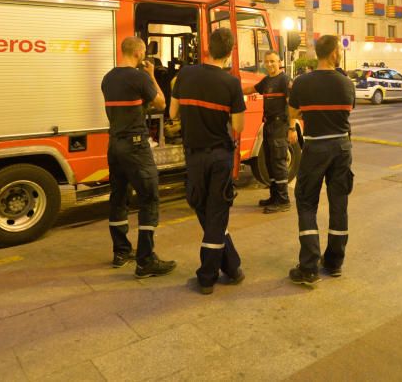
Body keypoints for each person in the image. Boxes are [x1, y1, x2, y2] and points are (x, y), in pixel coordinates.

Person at [170, 28, 246, 295]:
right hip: (219, 156)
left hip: (193, 156)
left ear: (207, 48)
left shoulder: (186, 74)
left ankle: (233, 266)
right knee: (216, 214)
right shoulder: (231, 83)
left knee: (204, 210)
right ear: (230, 51)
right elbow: (238, 125)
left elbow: (172, 111)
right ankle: (207, 277)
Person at [100, 37, 177, 278]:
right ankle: (146, 260)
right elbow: (162, 103)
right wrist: (152, 74)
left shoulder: (108, 78)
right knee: (149, 197)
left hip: (114, 145)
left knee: (118, 197)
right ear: (139, 53)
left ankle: (121, 252)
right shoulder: (140, 77)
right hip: (135, 146)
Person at [287, 35, 355, 287]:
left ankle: (308, 266)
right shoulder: (346, 83)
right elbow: (348, 111)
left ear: (317, 53)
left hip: (315, 146)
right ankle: (334, 263)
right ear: (335, 53)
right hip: (341, 146)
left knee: (306, 202)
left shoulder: (302, 83)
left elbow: (292, 113)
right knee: (339, 203)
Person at [243, 51, 292, 213]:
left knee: (278, 162)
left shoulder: (284, 80)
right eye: (267, 62)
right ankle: (274, 196)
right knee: (270, 162)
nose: (269, 64)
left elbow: (292, 106)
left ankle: (284, 200)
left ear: (279, 62)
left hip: (280, 126)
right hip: (268, 125)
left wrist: (292, 128)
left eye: (272, 61)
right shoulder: (267, 81)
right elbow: (250, 89)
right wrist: (231, 88)